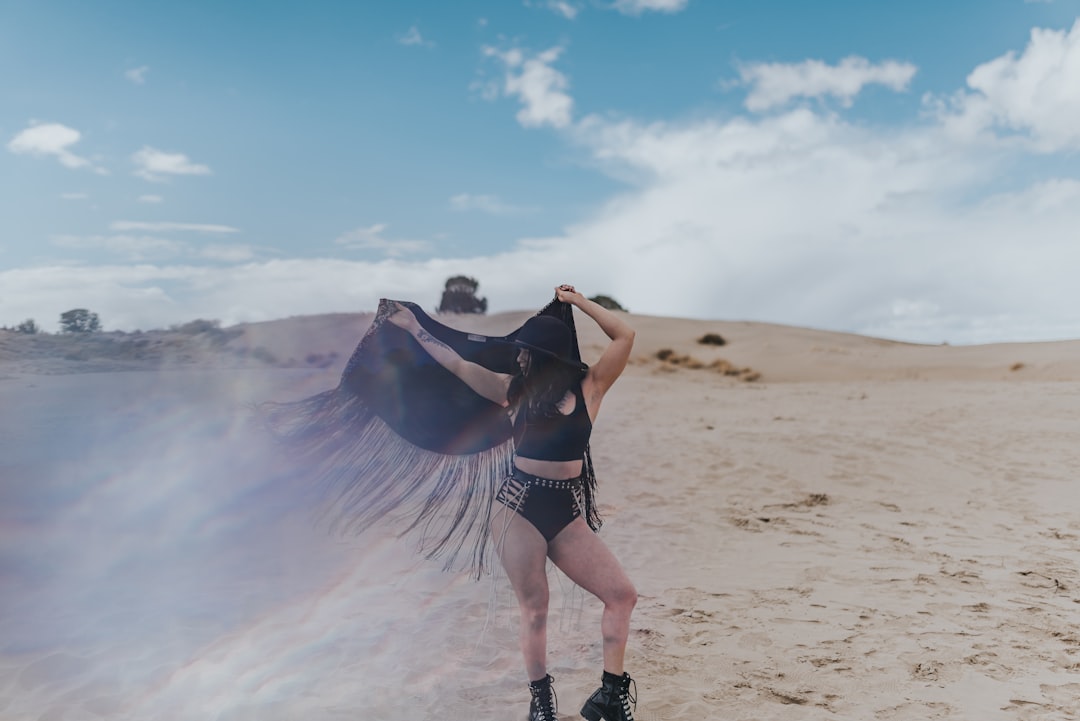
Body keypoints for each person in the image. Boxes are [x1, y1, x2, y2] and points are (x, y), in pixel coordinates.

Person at [388, 284, 639, 721]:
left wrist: (577, 302)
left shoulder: (591, 388)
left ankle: (610, 698)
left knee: (621, 595)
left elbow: (625, 336)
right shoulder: (512, 392)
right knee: (536, 608)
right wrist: (414, 327)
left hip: (565, 512)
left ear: (547, 358)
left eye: (527, 352)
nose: (519, 357)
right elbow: (456, 362)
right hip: (517, 509)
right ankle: (541, 703)